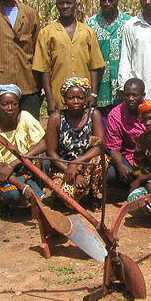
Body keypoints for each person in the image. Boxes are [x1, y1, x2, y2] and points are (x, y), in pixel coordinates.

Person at [0, 82, 46, 213]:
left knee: (44, 159)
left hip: (23, 166)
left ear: (18, 104)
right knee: (14, 194)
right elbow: (2, 171)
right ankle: (6, 202)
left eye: (14, 104)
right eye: (4, 104)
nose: (10, 108)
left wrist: (16, 162)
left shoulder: (25, 117)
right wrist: (23, 187)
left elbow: (43, 143)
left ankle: (34, 196)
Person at [32, 0, 105, 114]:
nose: (65, 6)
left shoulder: (87, 32)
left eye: (69, 3)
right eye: (61, 3)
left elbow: (95, 66)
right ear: (56, 5)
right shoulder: (47, 33)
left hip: (84, 98)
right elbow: (44, 69)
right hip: (59, 99)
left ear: (75, 4)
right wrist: (50, 99)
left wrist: (93, 94)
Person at [45, 77, 106, 209]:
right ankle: (65, 196)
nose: (76, 101)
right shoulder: (56, 118)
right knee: (67, 199)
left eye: (80, 97)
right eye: (71, 98)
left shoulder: (93, 115)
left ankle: (92, 194)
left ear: (86, 98)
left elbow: (98, 146)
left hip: (85, 163)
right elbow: (51, 151)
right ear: (64, 99)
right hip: (63, 166)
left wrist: (76, 163)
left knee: (102, 159)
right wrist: (70, 168)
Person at [85, 0, 132, 116]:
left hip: (123, 90)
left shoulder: (129, 23)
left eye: (111, 0)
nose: (107, 3)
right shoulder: (90, 25)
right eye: (103, 0)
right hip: (99, 91)